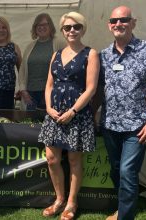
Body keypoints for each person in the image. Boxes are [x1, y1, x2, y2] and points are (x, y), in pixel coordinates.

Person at [99, 6, 146, 220]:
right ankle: (123, 207)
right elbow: (97, 88)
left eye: (123, 19)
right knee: (115, 170)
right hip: (110, 123)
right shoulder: (104, 55)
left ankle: (125, 216)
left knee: (127, 172)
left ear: (133, 23)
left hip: (138, 126)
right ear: (109, 25)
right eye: (114, 20)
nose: (118, 24)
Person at [38, 11, 100, 220]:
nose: (72, 30)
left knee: (74, 159)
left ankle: (71, 203)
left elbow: (91, 89)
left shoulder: (91, 54)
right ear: (63, 31)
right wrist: (48, 107)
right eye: (67, 27)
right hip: (54, 113)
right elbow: (49, 85)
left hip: (77, 114)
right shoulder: (56, 55)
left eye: (76, 26)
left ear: (83, 29)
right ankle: (59, 199)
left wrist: (73, 111)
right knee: (52, 159)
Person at [17, 13, 66, 110]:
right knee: (30, 124)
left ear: (50, 26)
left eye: (45, 24)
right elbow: (22, 70)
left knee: (48, 123)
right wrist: (23, 90)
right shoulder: (30, 46)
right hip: (30, 95)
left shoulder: (60, 44)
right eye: (38, 25)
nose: (41, 27)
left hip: (50, 93)